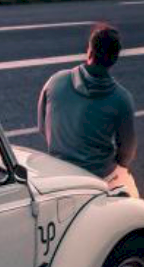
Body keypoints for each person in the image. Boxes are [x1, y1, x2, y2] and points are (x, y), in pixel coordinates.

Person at [36, 23, 138, 195]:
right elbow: (127, 152)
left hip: (59, 169)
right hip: (100, 176)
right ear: (115, 59)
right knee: (137, 203)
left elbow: (42, 126)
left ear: (89, 51)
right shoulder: (122, 98)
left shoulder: (55, 81)